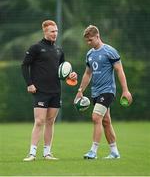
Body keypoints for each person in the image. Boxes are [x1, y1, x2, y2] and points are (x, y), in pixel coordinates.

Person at [22, 20, 77, 161]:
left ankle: (47, 153)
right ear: (45, 32)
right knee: (39, 121)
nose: (55, 34)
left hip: (55, 91)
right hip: (40, 91)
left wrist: (71, 76)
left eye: (56, 31)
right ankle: (32, 153)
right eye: (52, 31)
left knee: (50, 121)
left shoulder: (59, 50)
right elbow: (24, 65)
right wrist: (29, 84)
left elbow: (63, 73)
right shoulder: (36, 48)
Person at [75, 25, 132, 159]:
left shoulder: (109, 51)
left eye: (90, 40)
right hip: (96, 92)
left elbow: (119, 70)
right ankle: (114, 152)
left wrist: (125, 90)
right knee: (106, 121)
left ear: (97, 36)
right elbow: (87, 74)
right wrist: (80, 90)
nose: (88, 43)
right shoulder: (89, 54)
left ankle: (93, 151)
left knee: (96, 117)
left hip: (108, 91)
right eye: (87, 41)